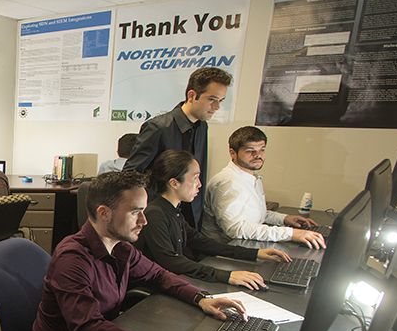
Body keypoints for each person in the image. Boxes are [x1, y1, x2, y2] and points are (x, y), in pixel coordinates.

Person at [32, 171, 255, 331]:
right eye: (136, 212)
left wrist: (200, 297)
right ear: (104, 213)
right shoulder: (73, 258)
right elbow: (88, 329)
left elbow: (159, 275)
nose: (144, 221)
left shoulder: (121, 247)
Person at [135, 150, 291, 290]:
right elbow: (170, 261)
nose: (200, 184)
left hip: (172, 282)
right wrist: (226, 276)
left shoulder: (173, 211)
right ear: (174, 183)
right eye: (195, 178)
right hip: (155, 289)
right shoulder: (155, 214)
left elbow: (203, 242)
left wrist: (255, 254)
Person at [124, 67, 232, 229]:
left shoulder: (202, 126)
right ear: (192, 95)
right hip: (158, 217)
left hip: (190, 216)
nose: (216, 107)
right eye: (212, 99)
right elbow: (131, 175)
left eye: (220, 101)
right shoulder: (158, 127)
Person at [201, 126, 325, 249]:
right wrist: (290, 234)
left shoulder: (250, 176)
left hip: (244, 245)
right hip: (225, 251)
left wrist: (285, 219)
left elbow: (256, 216)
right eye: (250, 151)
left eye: (262, 150)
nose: (258, 155)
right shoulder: (228, 183)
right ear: (232, 153)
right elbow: (236, 229)